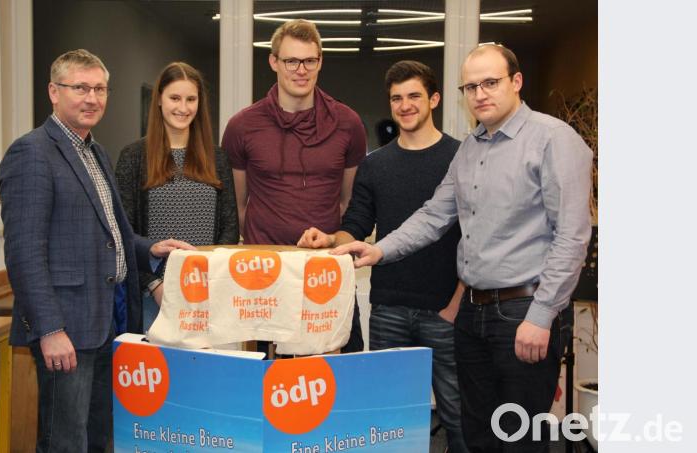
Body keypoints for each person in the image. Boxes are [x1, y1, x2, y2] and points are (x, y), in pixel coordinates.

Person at [332, 44, 593, 452]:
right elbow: (434, 214)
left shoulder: (553, 139)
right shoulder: (472, 147)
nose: (480, 94)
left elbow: (572, 235)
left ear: (516, 82)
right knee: (477, 436)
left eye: (490, 83)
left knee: (521, 439)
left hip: (524, 312)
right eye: (471, 87)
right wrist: (379, 251)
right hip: (473, 316)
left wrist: (542, 315)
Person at [0, 49, 193, 453]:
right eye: (80, 88)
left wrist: (150, 248)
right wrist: (50, 330)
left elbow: (111, 234)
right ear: (54, 92)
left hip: (107, 322)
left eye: (100, 89)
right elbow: (24, 253)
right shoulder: (31, 153)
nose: (92, 98)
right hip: (66, 329)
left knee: (99, 438)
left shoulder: (96, 152)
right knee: (65, 442)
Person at [298, 60, 468, 452]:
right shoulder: (375, 165)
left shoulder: (460, 159)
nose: (405, 105)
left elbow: (474, 235)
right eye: (396, 98)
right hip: (389, 308)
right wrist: (330, 239)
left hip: (446, 311)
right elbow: (356, 224)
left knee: (458, 416)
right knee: (389, 422)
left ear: (434, 99)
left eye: (414, 96)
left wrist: (457, 304)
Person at [221, 19, 367, 353]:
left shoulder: (348, 124)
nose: (301, 70)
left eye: (309, 61)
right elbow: (239, 204)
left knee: (335, 375)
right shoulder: (242, 126)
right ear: (273, 62)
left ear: (320, 62)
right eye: (291, 61)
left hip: (325, 273)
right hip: (263, 278)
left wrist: (329, 241)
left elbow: (347, 202)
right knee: (263, 376)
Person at [115, 62, 239, 332]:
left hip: (208, 294)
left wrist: (211, 280)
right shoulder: (133, 157)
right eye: (175, 98)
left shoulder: (217, 158)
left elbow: (230, 228)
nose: (183, 108)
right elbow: (123, 233)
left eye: (191, 99)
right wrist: (154, 285)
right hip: (154, 297)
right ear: (159, 99)